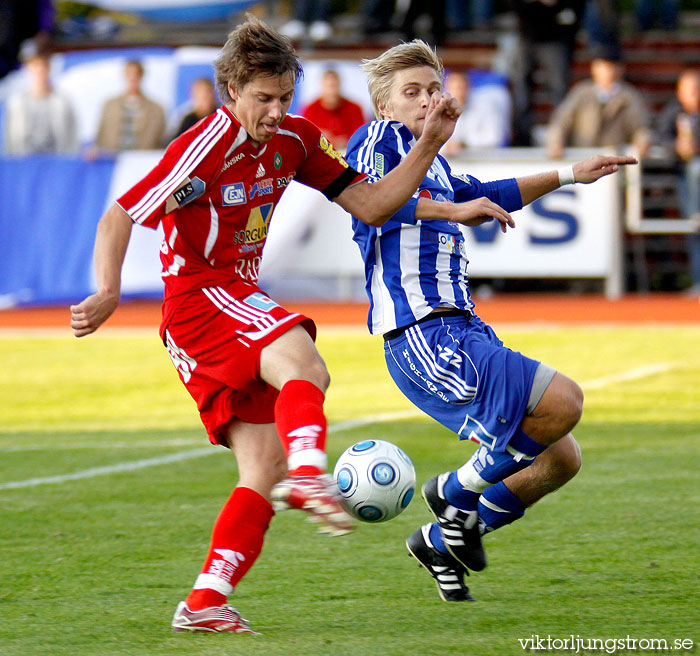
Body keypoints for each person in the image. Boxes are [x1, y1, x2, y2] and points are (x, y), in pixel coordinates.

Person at [69, 16, 460, 632]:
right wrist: (109, 290)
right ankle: (310, 474)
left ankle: (205, 601)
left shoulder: (298, 141)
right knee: (304, 362)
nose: (276, 111)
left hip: (229, 304)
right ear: (231, 92)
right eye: (263, 99)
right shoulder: (204, 145)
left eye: (284, 98)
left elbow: (374, 204)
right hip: (200, 300)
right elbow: (119, 215)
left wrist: (429, 142)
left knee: (261, 470)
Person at [344, 40, 636, 601]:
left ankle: (439, 537)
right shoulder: (379, 141)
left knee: (558, 458)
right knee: (563, 403)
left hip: (460, 325)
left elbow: (485, 193)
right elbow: (373, 201)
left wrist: (570, 173)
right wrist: (451, 204)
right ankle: (453, 491)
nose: (427, 100)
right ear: (385, 106)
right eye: (412, 92)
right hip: (421, 329)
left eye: (433, 88)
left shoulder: (430, 158)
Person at [546, 48, 651, 159]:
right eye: (603, 66)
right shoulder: (581, 93)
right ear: (594, 68)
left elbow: (641, 127)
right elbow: (560, 122)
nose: (608, 72)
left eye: (612, 67)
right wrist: (555, 143)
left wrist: (642, 143)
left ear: (620, 69)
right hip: (582, 157)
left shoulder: (629, 97)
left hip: (613, 158)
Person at [509, 0, 586, 146]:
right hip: (527, 34)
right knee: (521, 91)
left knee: (559, 91)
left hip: (554, 37)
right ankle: (522, 136)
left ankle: (562, 135)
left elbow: (576, 9)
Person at [656, 69, 700, 295]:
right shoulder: (673, 113)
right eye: (689, 90)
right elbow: (661, 138)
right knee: (694, 231)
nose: (694, 94)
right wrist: (677, 148)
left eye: (696, 89)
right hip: (683, 179)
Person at [3, 45, 77, 155]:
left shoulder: (62, 101)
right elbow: (11, 140)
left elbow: (71, 137)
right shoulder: (17, 102)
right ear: (28, 69)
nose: (39, 70)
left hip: (55, 164)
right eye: (35, 66)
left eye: (43, 66)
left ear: (49, 68)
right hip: (25, 165)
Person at [93, 59, 166, 152]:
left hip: (141, 160)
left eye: (136, 74)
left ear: (141, 76)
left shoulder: (156, 109)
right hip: (113, 159)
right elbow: (101, 136)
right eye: (129, 74)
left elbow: (160, 141)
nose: (132, 78)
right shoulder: (110, 105)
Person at [440, 70, 511, 156]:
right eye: (454, 88)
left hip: (481, 161)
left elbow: (494, 138)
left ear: (469, 88)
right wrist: (447, 146)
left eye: (460, 87)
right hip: (449, 161)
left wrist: (464, 144)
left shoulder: (485, 108)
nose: (458, 92)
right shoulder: (439, 112)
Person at [302, 69, 365, 150]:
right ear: (322, 86)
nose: (331, 91)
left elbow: (362, 137)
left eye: (334, 86)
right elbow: (305, 138)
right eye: (328, 86)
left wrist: (345, 141)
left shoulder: (354, 109)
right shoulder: (310, 109)